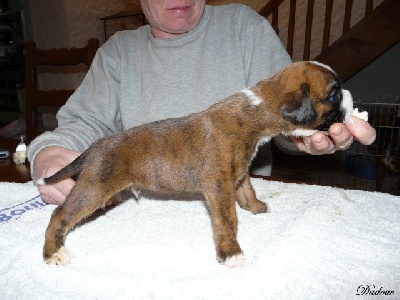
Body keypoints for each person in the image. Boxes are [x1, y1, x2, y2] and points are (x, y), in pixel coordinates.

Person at [27, 0, 376, 205]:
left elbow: (285, 119)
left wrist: (306, 135)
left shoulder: (244, 28)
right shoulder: (118, 52)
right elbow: (83, 123)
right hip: (146, 209)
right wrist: (49, 153)